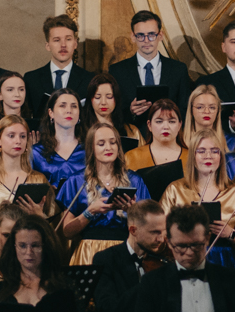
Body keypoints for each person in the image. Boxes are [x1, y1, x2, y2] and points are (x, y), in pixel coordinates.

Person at [159, 129, 235, 270]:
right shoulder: (175, 189)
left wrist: (230, 233)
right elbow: (160, 231)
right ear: (193, 156)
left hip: (224, 262)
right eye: (201, 151)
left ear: (221, 156)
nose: (208, 156)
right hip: (185, 259)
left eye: (215, 151)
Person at [58, 121, 151, 264]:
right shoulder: (76, 181)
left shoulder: (135, 180)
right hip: (88, 253)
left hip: (123, 251)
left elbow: (148, 226)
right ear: (91, 148)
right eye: (101, 144)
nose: (108, 147)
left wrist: (131, 211)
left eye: (113, 143)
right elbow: (67, 232)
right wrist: (90, 212)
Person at [108, 9, 195, 129]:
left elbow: (185, 110)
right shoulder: (117, 71)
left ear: (160, 36)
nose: (146, 40)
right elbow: (111, 114)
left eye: (151, 35)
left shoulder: (178, 69)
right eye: (141, 35)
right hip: (135, 139)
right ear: (133, 37)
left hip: (170, 138)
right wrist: (131, 111)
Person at [0, 115, 54, 227]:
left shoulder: (39, 179)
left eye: (22, 136)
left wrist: (39, 216)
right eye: (11, 136)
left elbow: (52, 226)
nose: (18, 141)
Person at [23, 14, 94, 120]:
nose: (63, 45)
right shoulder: (31, 79)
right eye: (57, 40)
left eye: (68, 39)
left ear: (75, 44)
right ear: (48, 45)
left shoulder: (89, 80)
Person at [29, 88, 85, 192]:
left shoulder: (90, 149)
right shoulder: (36, 152)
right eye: (62, 106)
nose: (69, 110)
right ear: (51, 113)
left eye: (74, 106)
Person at [124, 99, 186, 170]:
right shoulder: (131, 157)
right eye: (159, 121)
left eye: (171, 122)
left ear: (179, 125)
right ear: (149, 125)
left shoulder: (192, 157)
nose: (166, 127)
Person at [83, 72, 140, 147]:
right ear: (91, 99)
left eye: (109, 97)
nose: (103, 102)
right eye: (97, 97)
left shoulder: (131, 131)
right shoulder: (80, 131)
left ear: (116, 99)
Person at [182, 83, 225, 149]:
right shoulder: (180, 142)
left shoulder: (230, 142)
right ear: (191, 110)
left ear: (218, 110)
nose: (207, 111)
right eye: (200, 107)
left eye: (212, 107)